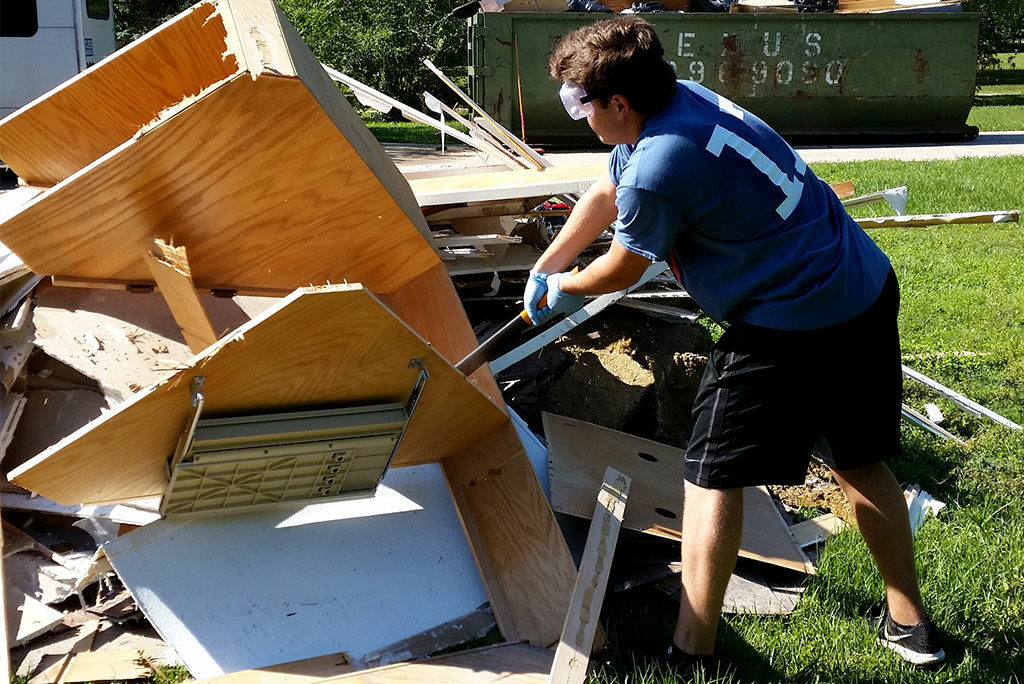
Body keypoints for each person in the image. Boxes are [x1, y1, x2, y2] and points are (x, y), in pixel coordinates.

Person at [524, 16, 945, 674]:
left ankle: (691, 654)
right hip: (858, 285)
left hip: (788, 322)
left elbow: (624, 268)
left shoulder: (662, 165)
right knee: (859, 460)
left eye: (581, 104)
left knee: (710, 475)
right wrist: (548, 262)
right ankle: (909, 622)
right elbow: (607, 188)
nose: (580, 117)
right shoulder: (680, 98)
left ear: (619, 103)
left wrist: (566, 286)